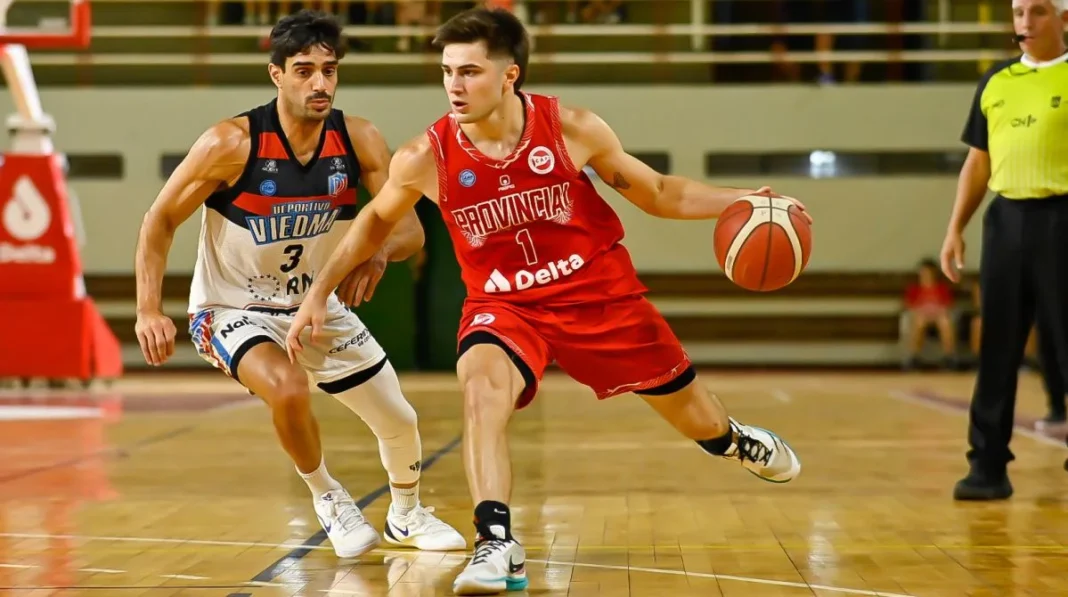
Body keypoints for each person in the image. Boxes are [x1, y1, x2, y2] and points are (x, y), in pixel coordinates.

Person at [285, 7, 805, 594]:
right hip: (505, 308)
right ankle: (496, 542)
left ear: (510, 76)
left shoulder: (572, 128)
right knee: (480, 390)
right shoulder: (425, 157)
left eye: (471, 71)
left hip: (599, 296)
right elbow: (371, 225)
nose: (455, 85)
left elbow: (658, 191)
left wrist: (742, 200)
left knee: (700, 423)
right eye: (448, 71)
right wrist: (317, 294)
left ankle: (733, 439)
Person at [132, 10, 465, 558]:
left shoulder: (357, 139)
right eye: (305, 70)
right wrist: (149, 308)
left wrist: (377, 253)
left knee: (399, 418)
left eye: (329, 71)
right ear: (276, 75)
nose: (320, 83)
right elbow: (160, 219)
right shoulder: (229, 143)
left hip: (313, 303)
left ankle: (406, 514)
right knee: (287, 387)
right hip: (230, 307)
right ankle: (327, 496)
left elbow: (409, 230)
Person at [940, 0, 1068, 501]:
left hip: (1062, 217)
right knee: (997, 348)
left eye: (1037, 12)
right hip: (1006, 221)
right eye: (1018, 12)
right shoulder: (996, 82)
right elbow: (978, 162)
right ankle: (987, 466)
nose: (1024, 23)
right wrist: (955, 227)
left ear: (1063, 19)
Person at [901, 258, 958, 369]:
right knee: (919, 320)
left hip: (938, 315)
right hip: (921, 315)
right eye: (923, 272)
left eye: (928, 272)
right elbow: (907, 305)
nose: (925, 275)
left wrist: (938, 310)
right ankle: (914, 357)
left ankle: (949, 357)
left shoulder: (942, 288)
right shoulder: (914, 289)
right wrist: (919, 310)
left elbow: (949, 305)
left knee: (945, 322)